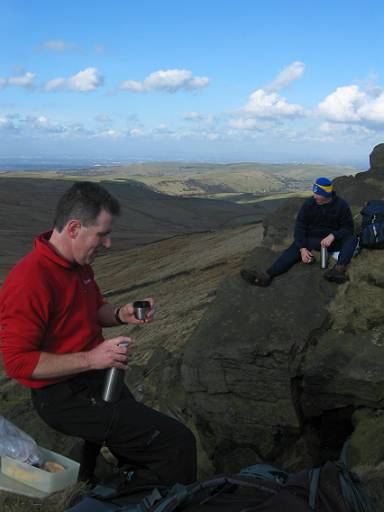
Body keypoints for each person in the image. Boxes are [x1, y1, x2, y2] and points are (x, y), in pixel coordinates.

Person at [0, 181, 196, 486]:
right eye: (102, 234)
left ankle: (123, 493)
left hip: (98, 378)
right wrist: (92, 359)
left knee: (137, 450)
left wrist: (120, 314)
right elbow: (18, 364)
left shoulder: (78, 265)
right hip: (63, 396)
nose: (107, 244)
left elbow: (92, 311)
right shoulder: (29, 281)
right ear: (75, 228)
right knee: (177, 443)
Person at [241, 177, 358, 286]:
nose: (315, 196)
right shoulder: (309, 204)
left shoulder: (341, 205)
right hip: (313, 239)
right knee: (295, 247)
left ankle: (338, 270)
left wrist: (333, 235)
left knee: (352, 238)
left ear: (327, 195)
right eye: (315, 193)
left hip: (332, 241)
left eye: (318, 194)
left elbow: (348, 228)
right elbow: (300, 227)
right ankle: (267, 276)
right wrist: (302, 248)